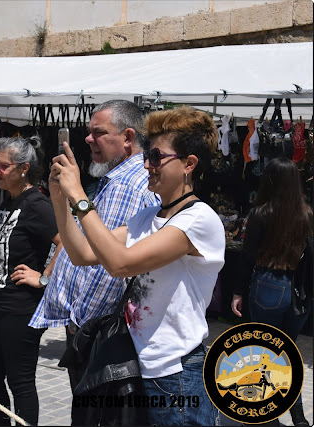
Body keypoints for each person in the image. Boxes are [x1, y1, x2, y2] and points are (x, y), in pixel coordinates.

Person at [50, 105, 225, 426]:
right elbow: (82, 254)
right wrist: (60, 200)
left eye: (156, 157)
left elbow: (120, 264)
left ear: (189, 164)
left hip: (174, 374)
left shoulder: (199, 220)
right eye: (147, 156)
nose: (147, 165)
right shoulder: (148, 217)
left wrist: (79, 195)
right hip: (135, 366)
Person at [28, 100, 158, 424]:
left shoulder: (132, 186)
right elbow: (81, 252)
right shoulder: (115, 180)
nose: (88, 139)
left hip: (104, 334)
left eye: (98, 132)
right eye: (89, 132)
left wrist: (86, 325)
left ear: (128, 137)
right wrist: (61, 197)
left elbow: (107, 265)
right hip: (91, 331)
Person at [0, 136, 61, 426]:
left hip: (20, 308)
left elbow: (68, 242)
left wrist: (43, 278)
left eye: (2, 166)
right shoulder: (9, 201)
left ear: (23, 168)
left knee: (20, 381)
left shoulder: (37, 204)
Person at [230, 157, 313, 427]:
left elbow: (247, 256)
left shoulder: (261, 213)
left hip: (268, 284)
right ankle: (297, 415)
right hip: (299, 290)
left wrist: (238, 291)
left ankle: (271, 414)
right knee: (287, 353)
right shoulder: (307, 214)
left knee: (265, 353)